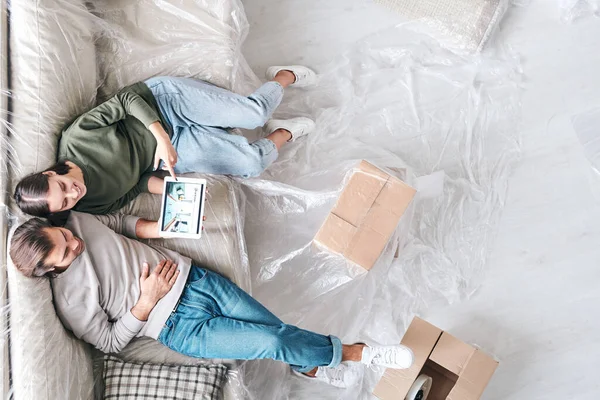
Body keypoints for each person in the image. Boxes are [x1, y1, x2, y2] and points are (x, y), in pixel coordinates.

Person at [9, 212, 415, 388]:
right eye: (64, 252)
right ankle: (359, 353)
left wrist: (164, 224)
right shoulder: (69, 302)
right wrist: (145, 303)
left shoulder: (77, 221)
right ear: (49, 270)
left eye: (64, 237)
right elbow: (111, 342)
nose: (73, 243)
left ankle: (307, 367)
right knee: (272, 341)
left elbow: (116, 224)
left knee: (274, 328)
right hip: (178, 327)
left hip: (198, 280)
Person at [13, 65, 317, 217]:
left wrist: (160, 136)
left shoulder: (77, 138)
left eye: (63, 188)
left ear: (51, 173)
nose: (73, 194)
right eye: (65, 203)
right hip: (169, 154)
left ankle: (283, 75)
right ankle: (282, 133)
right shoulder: (88, 204)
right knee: (251, 163)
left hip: (162, 104)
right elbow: (136, 185)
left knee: (254, 114)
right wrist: (181, 192)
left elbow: (127, 99)